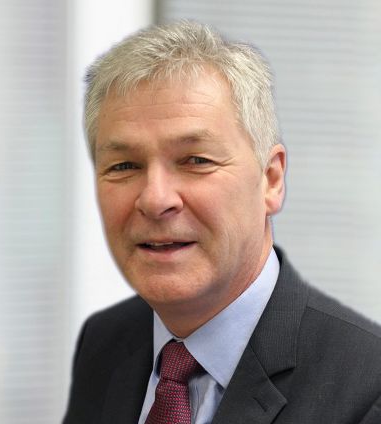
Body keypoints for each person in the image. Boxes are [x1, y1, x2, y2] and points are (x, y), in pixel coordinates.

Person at [63, 21, 381, 423]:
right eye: (124, 166)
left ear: (271, 180)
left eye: (196, 160)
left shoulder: (367, 390)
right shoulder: (105, 343)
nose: (156, 199)